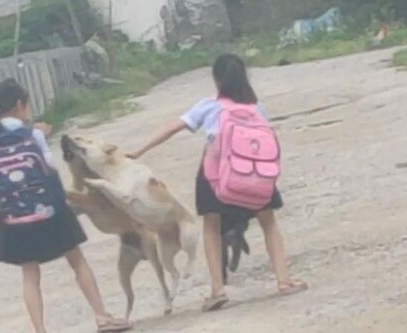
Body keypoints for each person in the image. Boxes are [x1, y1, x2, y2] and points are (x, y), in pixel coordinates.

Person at [127, 54, 307, 312]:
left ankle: (218, 289)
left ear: (217, 79)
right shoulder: (257, 108)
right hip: (256, 175)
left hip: (216, 177)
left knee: (211, 227)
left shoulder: (209, 106)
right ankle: (284, 279)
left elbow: (172, 127)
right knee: (269, 224)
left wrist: (139, 150)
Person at [0, 78, 130, 333]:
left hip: (15, 218)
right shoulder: (32, 136)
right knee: (77, 261)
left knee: (30, 274)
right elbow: (48, 169)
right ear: (19, 105)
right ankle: (101, 316)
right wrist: (42, 137)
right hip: (50, 210)